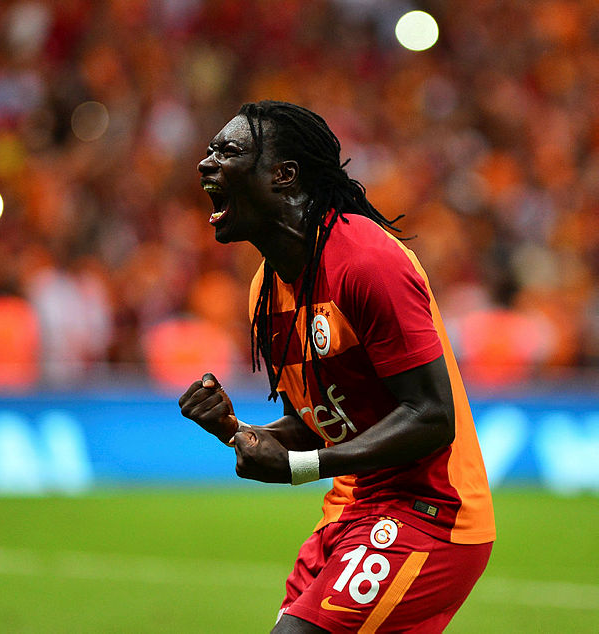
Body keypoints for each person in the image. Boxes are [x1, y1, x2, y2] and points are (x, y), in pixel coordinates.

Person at [179, 101, 495, 633]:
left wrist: (302, 467)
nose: (206, 163)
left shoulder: (367, 261)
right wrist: (237, 430)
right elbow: (318, 422)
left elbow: (433, 415)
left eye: (227, 151)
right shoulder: (266, 289)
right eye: (210, 151)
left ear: (283, 175)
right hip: (352, 511)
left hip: (431, 512)